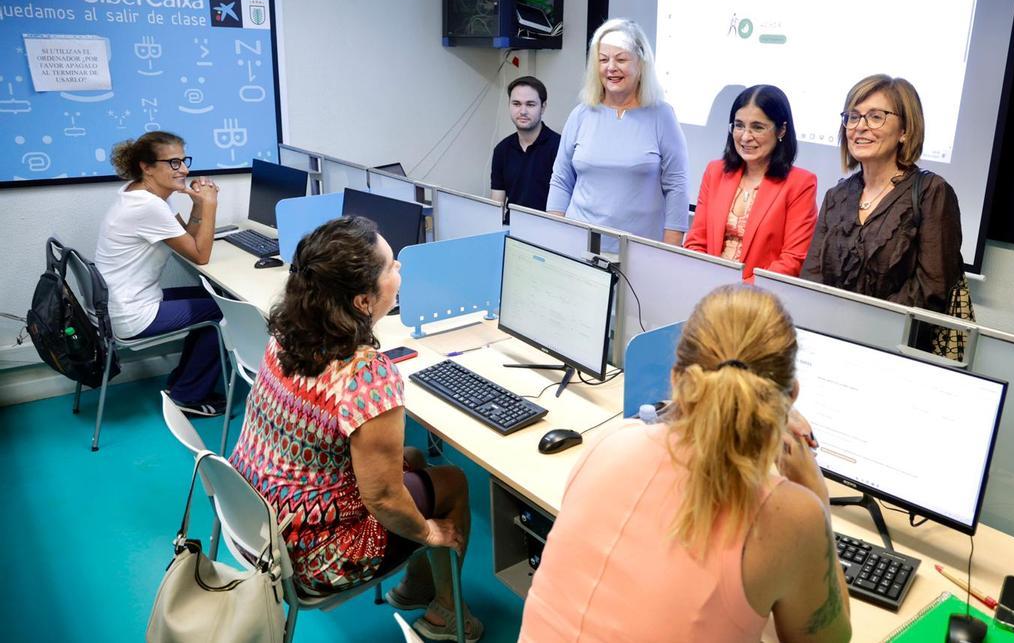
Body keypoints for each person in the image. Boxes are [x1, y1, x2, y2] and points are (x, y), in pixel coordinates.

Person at [520, 285, 852, 643]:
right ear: (792, 397)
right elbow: (830, 639)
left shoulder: (610, 443)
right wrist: (816, 498)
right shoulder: (789, 516)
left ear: (677, 379)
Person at [229, 216, 483, 642]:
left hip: (259, 513)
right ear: (364, 301)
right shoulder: (366, 374)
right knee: (453, 481)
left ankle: (415, 587)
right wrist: (427, 532)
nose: (399, 269)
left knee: (415, 460)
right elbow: (382, 497)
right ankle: (447, 613)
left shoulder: (286, 331)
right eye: (390, 267)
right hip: (313, 553)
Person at [800, 74, 963, 315]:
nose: (860, 126)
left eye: (876, 117)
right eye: (853, 117)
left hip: (893, 345)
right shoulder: (836, 196)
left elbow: (932, 291)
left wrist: (861, 323)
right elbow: (811, 278)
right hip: (827, 335)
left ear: (905, 131)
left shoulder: (932, 193)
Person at [95, 131, 225, 416]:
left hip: (124, 302)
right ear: (147, 166)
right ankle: (187, 397)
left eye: (184, 161)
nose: (186, 170)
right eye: (174, 163)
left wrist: (198, 204)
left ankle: (184, 383)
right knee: (225, 312)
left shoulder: (142, 193)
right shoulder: (147, 206)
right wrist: (211, 204)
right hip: (133, 313)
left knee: (215, 296)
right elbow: (200, 255)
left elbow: (186, 240)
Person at [546, 18, 689, 250]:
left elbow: (678, 187)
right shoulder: (581, 114)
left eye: (621, 59)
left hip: (640, 253)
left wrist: (670, 253)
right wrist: (555, 237)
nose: (611, 67)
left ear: (641, 64)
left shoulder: (662, 116)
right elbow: (561, 179)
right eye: (603, 60)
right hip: (578, 247)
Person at [684, 85, 818, 280]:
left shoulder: (801, 184)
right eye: (739, 125)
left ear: (781, 130)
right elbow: (696, 241)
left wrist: (741, 293)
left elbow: (793, 260)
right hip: (708, 290)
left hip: (760, 301)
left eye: (757, 127)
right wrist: (709, 283)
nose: (745, 137)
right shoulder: (715, 172)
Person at [490, 76, 561, 223]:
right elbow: (496, 206)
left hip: (549, 231)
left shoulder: (559, 148)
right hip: (511, 232)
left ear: (543, 107)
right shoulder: (501, 150)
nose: (522, 111)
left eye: (530, 104)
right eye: (516, 104)